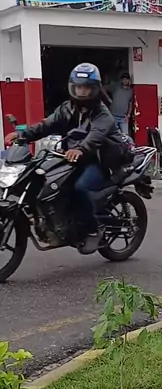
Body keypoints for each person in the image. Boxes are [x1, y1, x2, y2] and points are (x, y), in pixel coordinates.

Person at [5, 62, 130, 255]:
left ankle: (93, 229)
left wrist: (81, 149)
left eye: (86, 87)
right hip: (74, 157)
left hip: (100, 160)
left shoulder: (102, 113)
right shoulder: (67, 108)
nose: (81, 92)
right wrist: (22, 135)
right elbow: (46, 125)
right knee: (47, 179)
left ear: (95, 89)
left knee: (80, 188)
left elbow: (96, 136)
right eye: (78, 87)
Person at [110, 72, 133, 136]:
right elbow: (103, 88)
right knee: (113, 135)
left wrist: (128, 115)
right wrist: (108, 99)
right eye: (124, 79)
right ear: (121, 80)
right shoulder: (115, 87)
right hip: (113, 116)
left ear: (129, 80)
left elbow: (130, 104)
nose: (125, 80)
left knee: (125, 136)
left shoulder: (131, 91)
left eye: (127, 79)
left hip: (124, 118)